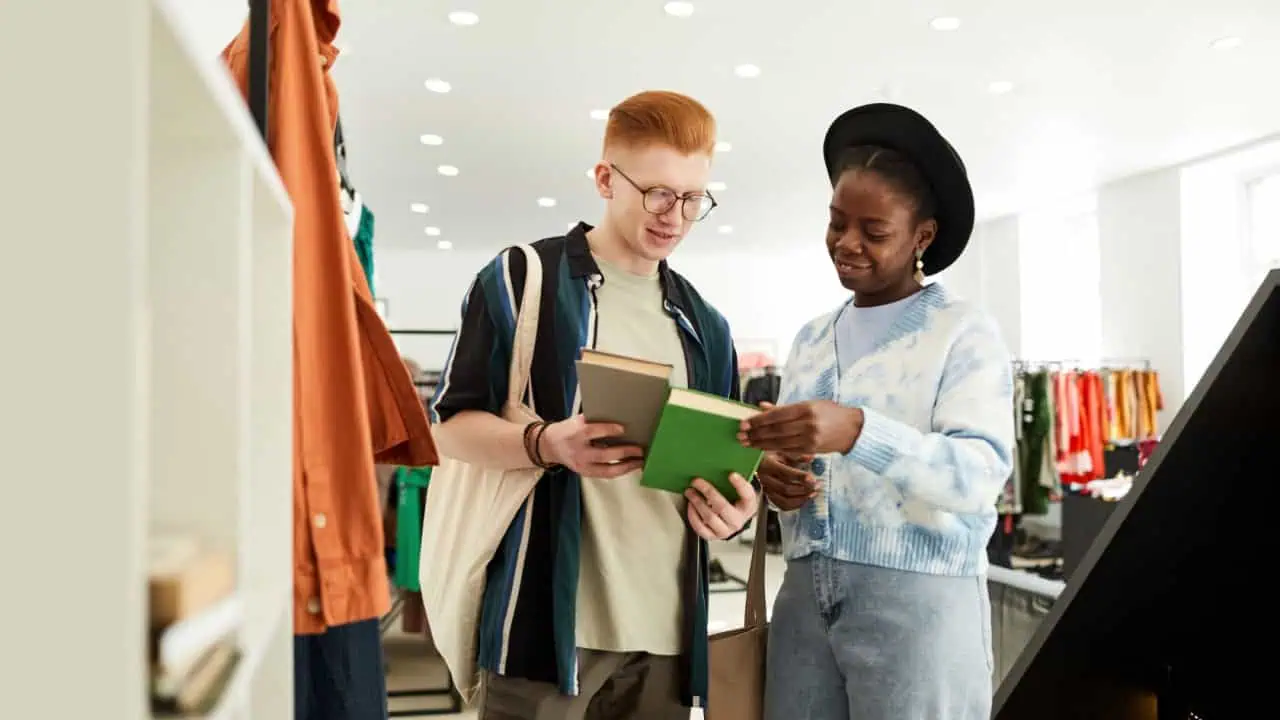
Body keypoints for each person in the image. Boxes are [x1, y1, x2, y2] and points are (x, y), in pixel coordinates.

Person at [430, 90, 759, 720]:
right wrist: (545, 443)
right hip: (544, 626)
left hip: (665, 637)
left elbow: (723, 467)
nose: (676, 216)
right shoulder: (523, 278)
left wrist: (732, 511)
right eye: (658, 193)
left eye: (694, 199)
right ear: (606, 179)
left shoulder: (706, 325)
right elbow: (450, 425)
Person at [740, 103, 1015, 720]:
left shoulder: (962, 332)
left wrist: (859, 431)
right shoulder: (812, 338)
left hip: (919, 605)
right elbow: (792, 460)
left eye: (874, 230)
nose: (846, 243)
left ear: (922, 236)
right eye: (837, 223)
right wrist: (773, 476)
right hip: (804, 604)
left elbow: (979, 474)